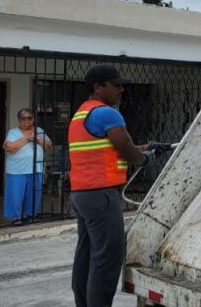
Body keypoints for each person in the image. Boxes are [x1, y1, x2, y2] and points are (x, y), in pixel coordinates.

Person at [69, 64, 153, 307]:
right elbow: (126, 149)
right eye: (115, 85)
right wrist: (144, 159)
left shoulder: (82, 114)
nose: (121, 89)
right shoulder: (108, 113)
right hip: (102, 195)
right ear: (98, 87)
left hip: (82, 195)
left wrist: (147, 149)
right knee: (107, 259)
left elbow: (109, 149)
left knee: (86, 255)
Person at [2, 108, 52, 225]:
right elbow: (9, 147)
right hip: (16, 170)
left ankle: (28, 215)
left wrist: (37, 139)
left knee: (33, 193)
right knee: (16, 194)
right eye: (23, 119)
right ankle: (16, 217)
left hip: (36, 169)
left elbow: (48, 144)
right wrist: (26, 139)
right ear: (19, 120)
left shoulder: (39, 130)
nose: (27, 121)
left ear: (33, 119)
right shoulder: (13, 132)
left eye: (29, 118)